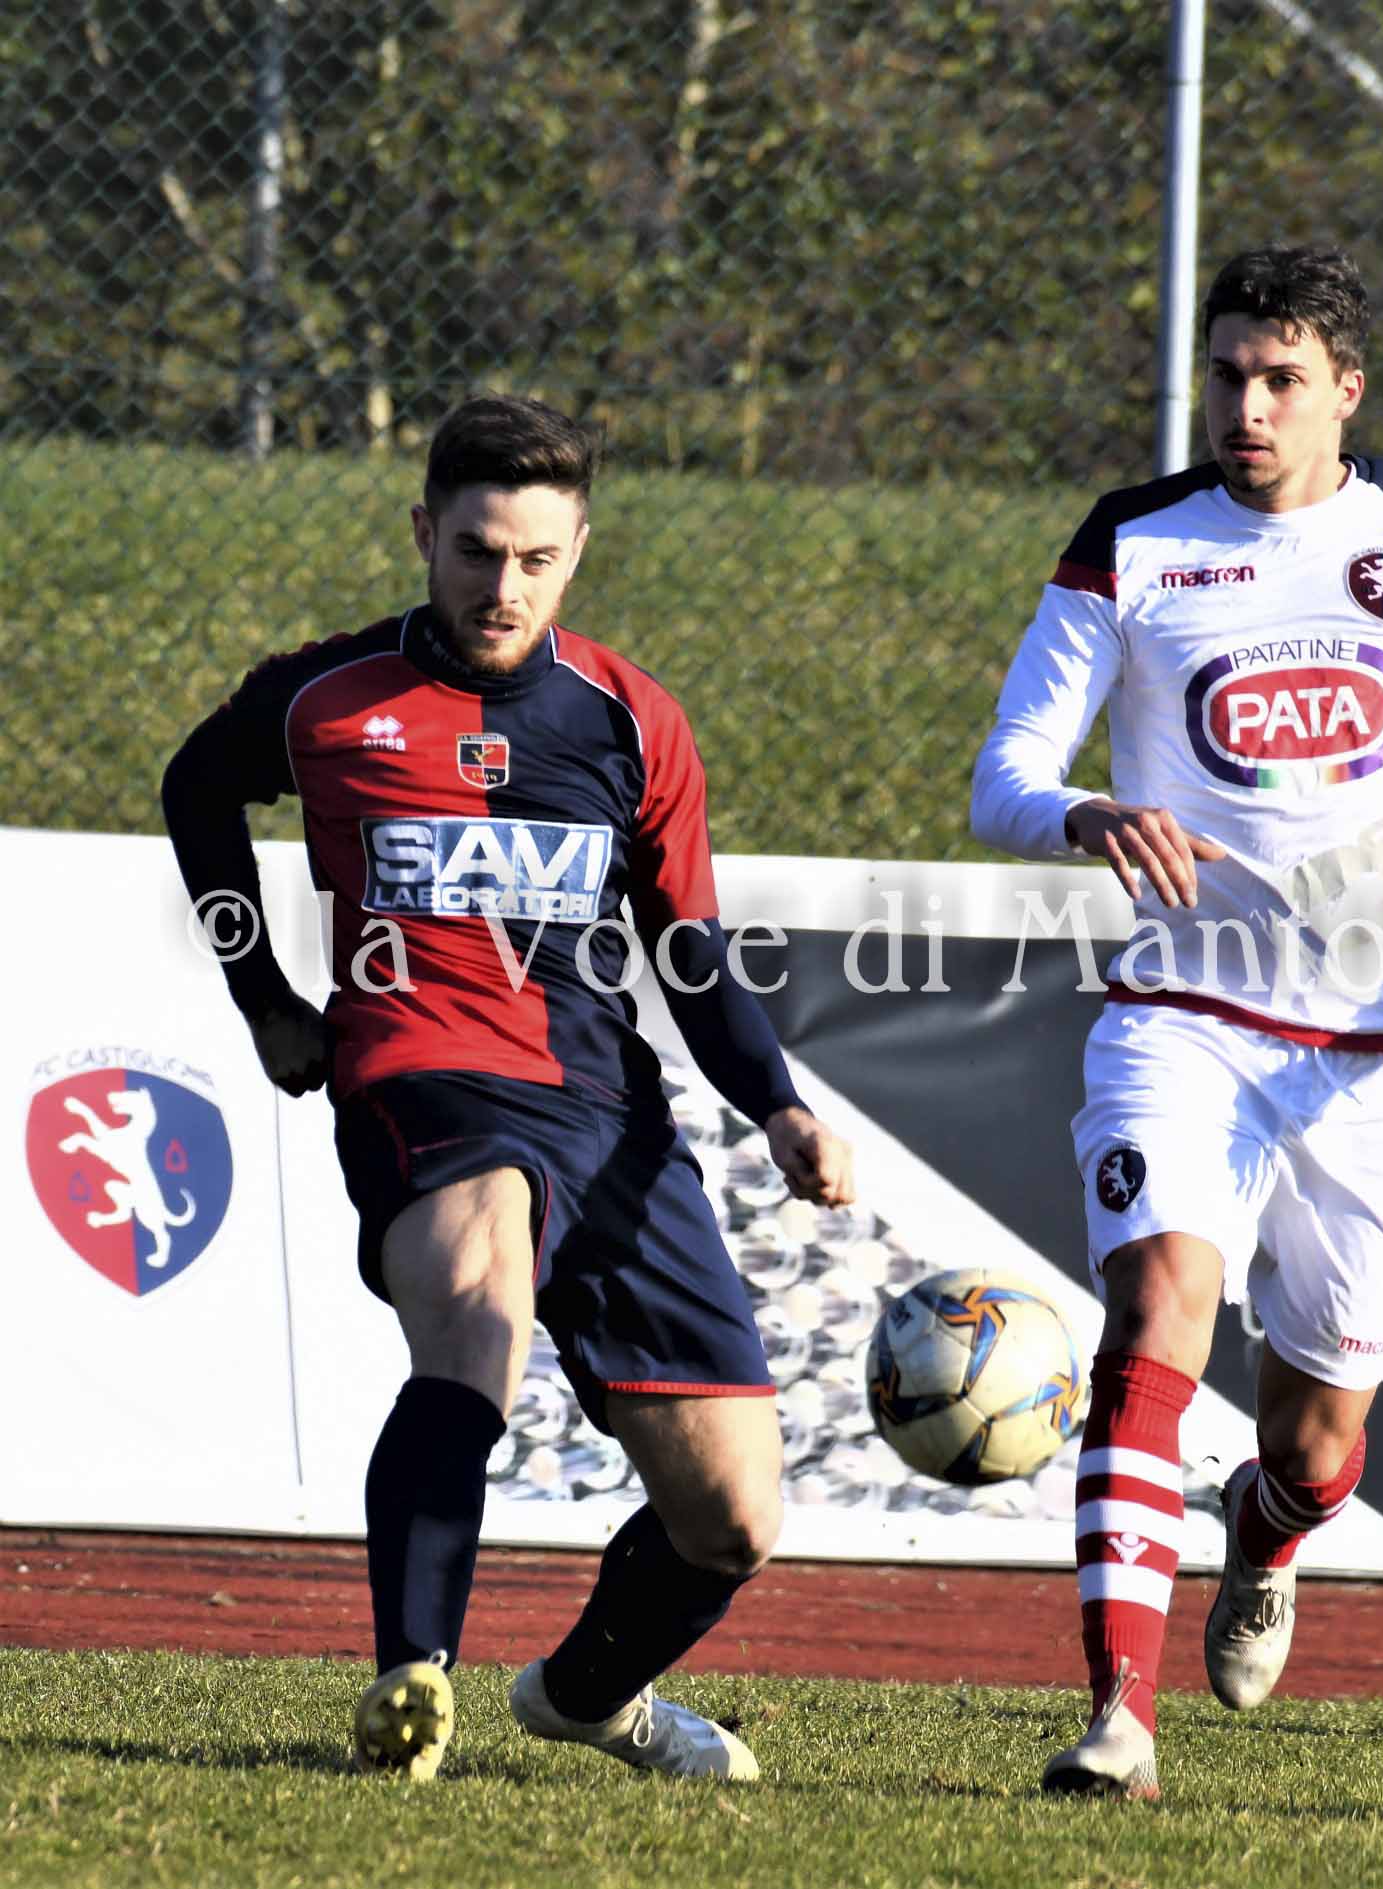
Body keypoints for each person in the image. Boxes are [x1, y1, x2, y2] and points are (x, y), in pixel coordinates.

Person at [971, 245, 1383, 1800]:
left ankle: (1260, 1535)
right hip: (1184, 1018)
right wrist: (1079, 812)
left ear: (1345, 392)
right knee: (1156, 1310)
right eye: (1226, 376)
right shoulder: (1133, 540)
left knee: (1317, 1444)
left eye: (1279, 380)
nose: (1245, 409)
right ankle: (1118, 1718)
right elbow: (1004, 772)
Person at [162, 393, 854, 1783]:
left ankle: (586, 1696)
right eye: (476, 551)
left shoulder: (631, 718)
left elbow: (689, 946)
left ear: (577, 549)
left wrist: (776, 1101)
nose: (503, 587)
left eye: (536, 559)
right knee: (479, 1315)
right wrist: (265, 1000)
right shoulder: (325, 696)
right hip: (421, 1076)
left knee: (733, 1517)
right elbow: (196, 789)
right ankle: (411, 1677)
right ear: (424, 532)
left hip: (606, 1112)